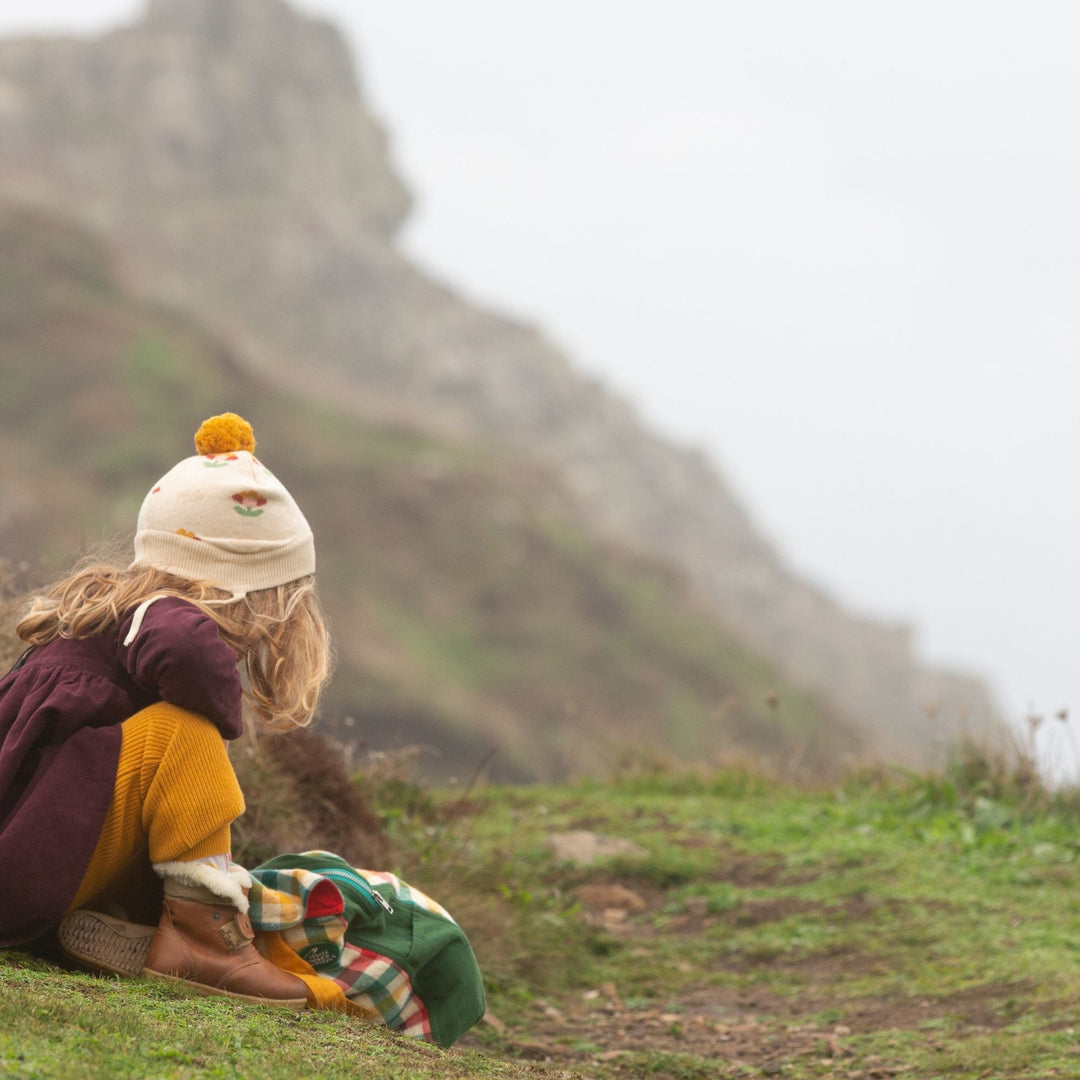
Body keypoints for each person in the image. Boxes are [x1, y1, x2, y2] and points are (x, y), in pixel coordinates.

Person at [0, 412, 332, 1007]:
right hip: (19, 872)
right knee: (183, 733)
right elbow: (185, 651)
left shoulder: (115, 616)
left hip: (28, 857)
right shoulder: (165, 616)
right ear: (250, 584)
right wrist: (219, 725)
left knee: (138, 765)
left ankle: (125, 919)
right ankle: (204, 941)